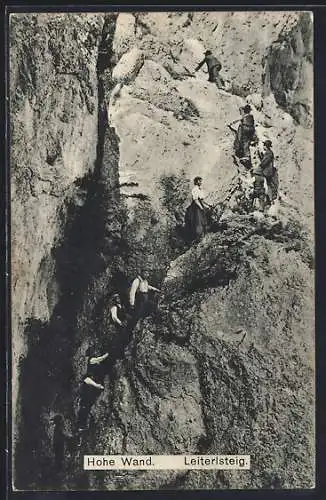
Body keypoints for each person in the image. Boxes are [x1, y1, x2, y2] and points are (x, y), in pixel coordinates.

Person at [76, 347, 109, 432]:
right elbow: (101, 358)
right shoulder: (91, 360)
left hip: (89, 387)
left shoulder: (92, 362)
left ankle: (82, 425)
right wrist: (108, 354)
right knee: (86, 406)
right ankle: (81, 425)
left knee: (86, 406)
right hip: (88, 387)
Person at [185, 176, 210, 242]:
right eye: (199, 181)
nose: (200, 182)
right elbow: (196, 200)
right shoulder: (195, 189)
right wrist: (201, 207)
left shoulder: (199, 189)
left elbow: (202, 200)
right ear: (196, 182)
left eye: (201, 181)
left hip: (200, 205)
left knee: (204, 220)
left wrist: (208, 205)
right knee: (198, 221)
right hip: (196, 207)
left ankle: (205, 236)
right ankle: (199, 238)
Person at [259, 140, 278, 204]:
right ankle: (270, 199)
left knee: (268, 185)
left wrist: (260, 166)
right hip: (269, 171)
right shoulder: (269, 152)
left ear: (265, 146)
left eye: (264, 145)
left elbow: (264, 162)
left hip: (267, 171)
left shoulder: (268, 153)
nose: (263, 146)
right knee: (269, 185)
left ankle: (270, 199)